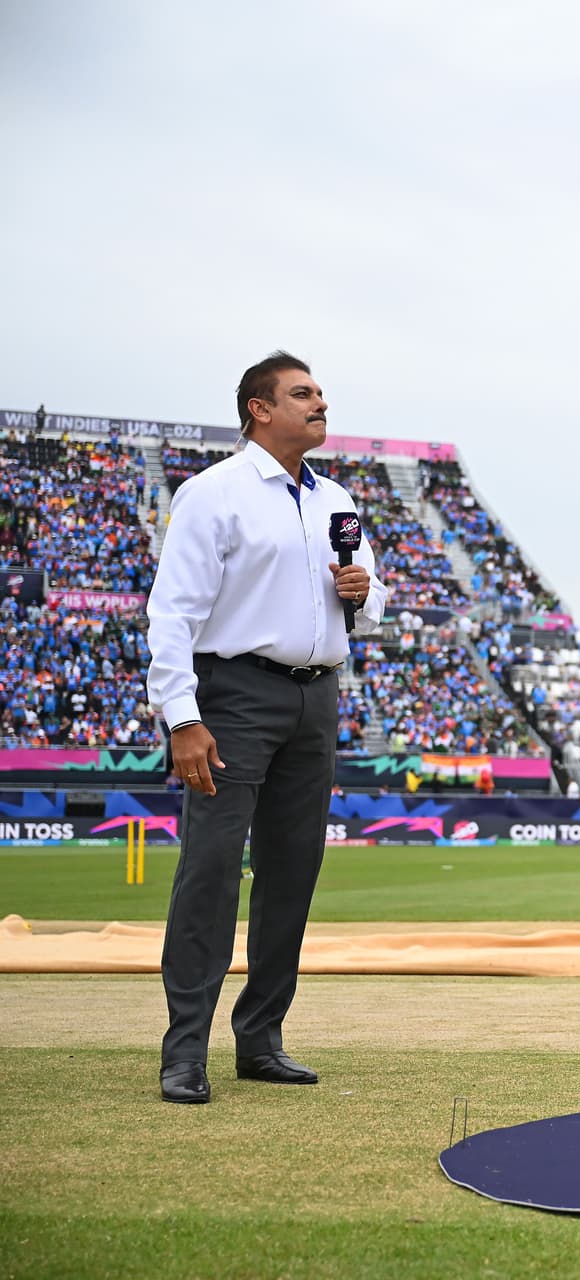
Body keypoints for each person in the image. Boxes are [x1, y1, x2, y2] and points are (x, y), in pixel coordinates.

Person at [145, 352, 387, 1105]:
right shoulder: (214, 494)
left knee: (292, 873)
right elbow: (172, 612)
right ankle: (184, 1051)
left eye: (319, 393)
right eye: (302, 394)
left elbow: (370, 609)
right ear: (259, 409)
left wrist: (361, 592)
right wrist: (183, 717)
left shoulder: (335, 499)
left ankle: (262, 1040)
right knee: (211, 872)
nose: (320, 403)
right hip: (236, 696)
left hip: (317, 697)